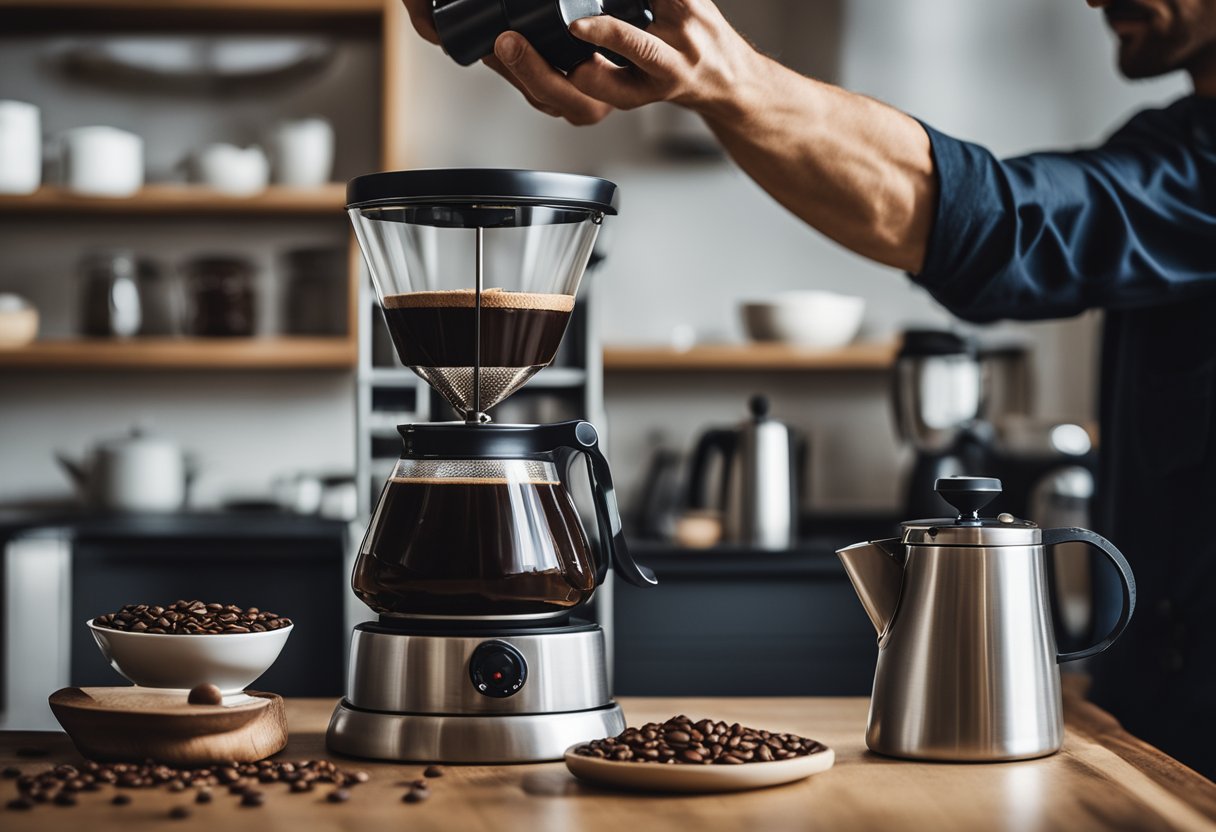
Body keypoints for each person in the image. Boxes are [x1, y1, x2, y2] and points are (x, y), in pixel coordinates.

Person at [401, 0, 1216, 777]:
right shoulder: (1175, 140)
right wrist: (717, 83)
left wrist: (730, 78)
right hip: (1146, 715)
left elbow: (1002, 227)